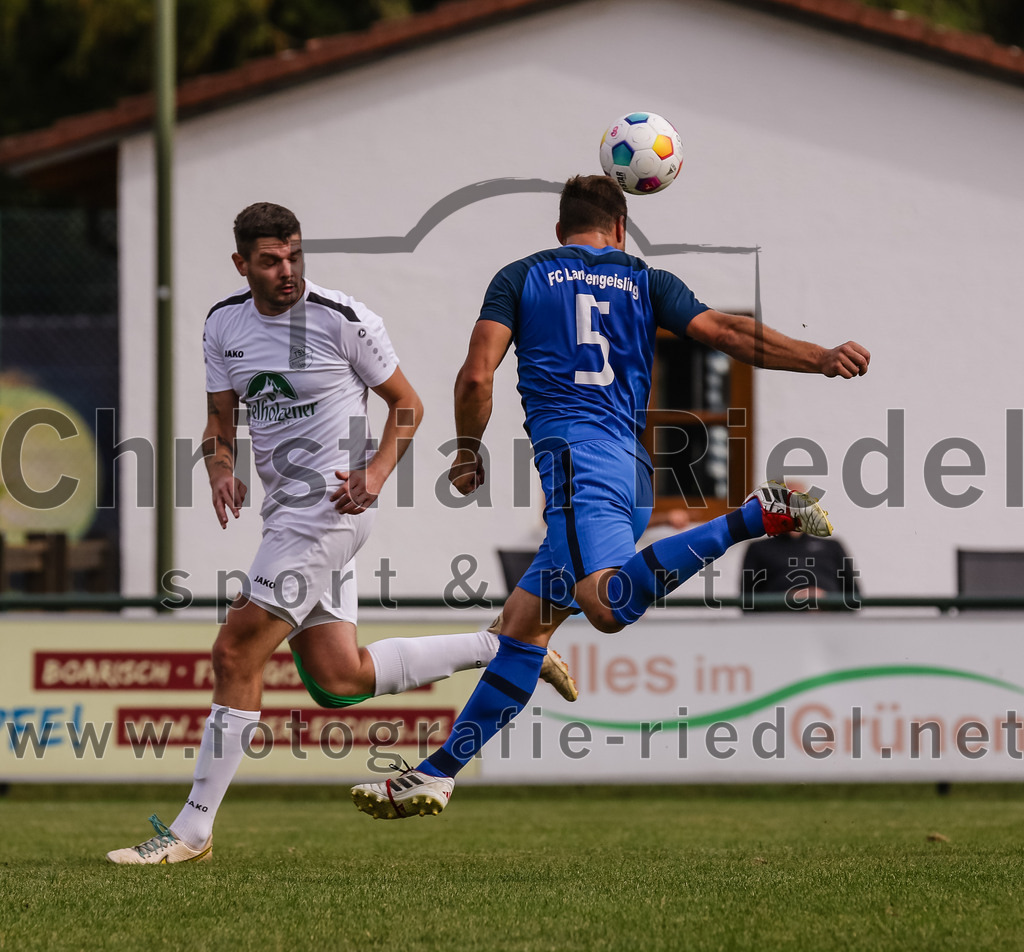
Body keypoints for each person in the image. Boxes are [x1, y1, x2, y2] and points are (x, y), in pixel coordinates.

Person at [350, 175, 870, 819]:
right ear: (620, 227)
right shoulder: (646, 280)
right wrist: (819, 356)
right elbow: (732, 334)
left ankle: (754, 515)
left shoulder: (521, 277)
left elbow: (476, 374)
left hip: (576, 464)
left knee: (605, 606)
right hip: (631, 467)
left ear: (559, 229)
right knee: (522, 629)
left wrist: (466, 451)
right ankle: (434, 775)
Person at [106, 202, 574, 864]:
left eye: (295, 255)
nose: (287, 270)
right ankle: (505, 646)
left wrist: (378, 473)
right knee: (339, 677)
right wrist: (220, 469)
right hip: (285, 517)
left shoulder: (340, 317)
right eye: (270, 260)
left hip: (330, 512)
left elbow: (407, 405)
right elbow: (219, 419)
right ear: (242, 265)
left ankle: (190, 833)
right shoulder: (222, 324)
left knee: (236, 653)